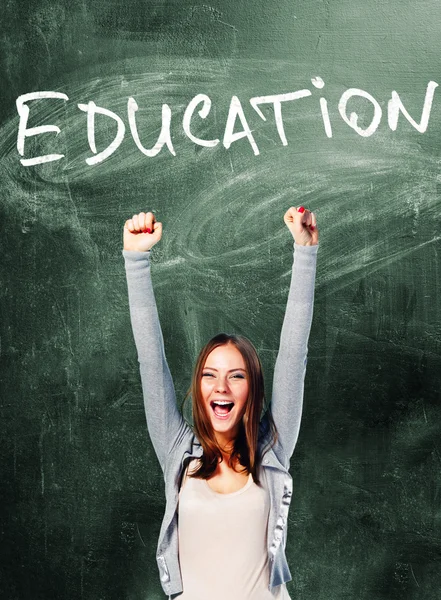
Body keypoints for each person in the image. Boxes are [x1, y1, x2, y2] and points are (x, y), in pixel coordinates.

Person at [122, 207, 319, 599]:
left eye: (237, 376)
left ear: (252, 393)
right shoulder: (178, 453)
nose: (221, 387)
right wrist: (136, 260)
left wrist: (306, 252)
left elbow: (293, 357)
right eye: (209, 375)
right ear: (198, 389)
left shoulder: (272, 451)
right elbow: (150, 360)